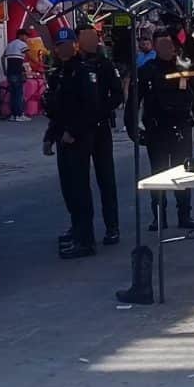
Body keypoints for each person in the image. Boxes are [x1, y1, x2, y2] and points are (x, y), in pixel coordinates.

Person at [49, 25, 124, 259]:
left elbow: (115, 96)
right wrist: (51, 135)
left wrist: (100, 113)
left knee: (105, 179)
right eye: (85, 38)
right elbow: (60, 106)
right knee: (73, 184)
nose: (90, 42)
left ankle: (110, 227)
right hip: (77, 130)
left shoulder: (101, 65)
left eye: (93, 38)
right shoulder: (64, 69)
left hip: (96, 129)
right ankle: (79, 228)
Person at [126, 30, 194, 231]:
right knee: (159, 174)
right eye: (162, 46)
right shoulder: (146, 71)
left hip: (181, 128)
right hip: (156, 130)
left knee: (184, 173)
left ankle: (184, 214)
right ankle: (159, 217)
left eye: (169, 45)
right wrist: (133, 130)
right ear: (154, 47)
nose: (167, 50)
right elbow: (133, 103)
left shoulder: (184, 68)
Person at [43, 27, 80, 250]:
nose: (64, 49)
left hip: (77, 137)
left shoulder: (80, 71)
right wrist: (50, 136)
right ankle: (75, 227)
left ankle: (83, 236)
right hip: (61, 134)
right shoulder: (58, 73)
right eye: (60, 46)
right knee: (67, 186)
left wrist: (73, 131)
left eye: (68, 45)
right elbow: (57, 110)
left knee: (79, 188)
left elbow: (87, 106)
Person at [2, 28, 31, 122]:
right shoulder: (22, 44)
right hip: (17, 72)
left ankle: (13, 115)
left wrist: (4, 70)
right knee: (18, 93)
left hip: (10, 72)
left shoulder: (10, 44)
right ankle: (19, 114)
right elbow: (30, 56)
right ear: (20, 35)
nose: (27, 38)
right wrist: (41, 64)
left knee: (13, 94)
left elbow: (2, 57)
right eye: (26, 35)